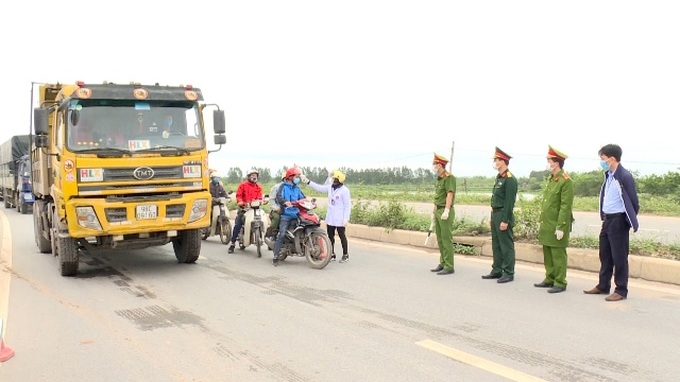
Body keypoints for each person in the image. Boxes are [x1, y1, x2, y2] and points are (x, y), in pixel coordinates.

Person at [584, 144, 639, 302]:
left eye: (603, 158)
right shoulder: (609, 175)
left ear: (612, 158)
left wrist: (627, 221)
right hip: (607, 220)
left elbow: (633, 202)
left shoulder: (624, 176)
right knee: (605, 254)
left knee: (619, 256)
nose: (601, 161)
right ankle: (603, 285)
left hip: (618, 220)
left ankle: (621, 290)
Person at [535, 146, 574, 294]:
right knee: (548, 252)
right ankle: (549, 278)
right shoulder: (552, 179)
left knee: (558, 254)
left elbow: (565, 206)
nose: (547, 162)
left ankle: (560, 281)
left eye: (549, 160)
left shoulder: (566, 181)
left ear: (556, 162)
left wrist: (561, 226)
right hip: (547, 223)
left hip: (557, 224)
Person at [482, 147, 517, 283]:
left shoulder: (510, 179)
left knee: (506, 245)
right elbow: (495, 200)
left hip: (503, 214)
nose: (495, 162)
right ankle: (497, 270)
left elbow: (509, 202)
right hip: (495, 214)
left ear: (503, 162)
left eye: (496, 160)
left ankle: (508, 272)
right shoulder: (499, 178)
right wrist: (492, 218)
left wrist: (505, 220)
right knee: (496, 244)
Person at [301, 170, 352, 262]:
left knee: (342, 236)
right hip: (331, 217)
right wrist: (308, 182)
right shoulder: (330, 188)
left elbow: (347, 205)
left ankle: (345, 254)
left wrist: (346, 218)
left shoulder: (345, 191)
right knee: (330, 236)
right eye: (332, 179)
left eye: (334, 179)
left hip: (340, 218)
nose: (332, 181)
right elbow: (319, 188)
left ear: (339, 180)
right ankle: (332, 254)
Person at [429, 153, 456, 275]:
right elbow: (438, 197)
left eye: (434, 164)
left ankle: (449, 266)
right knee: (440, 239)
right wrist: (433, 212)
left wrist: (447, 210)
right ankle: (443, 262)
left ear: (440, 165)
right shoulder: (439, 179)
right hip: (438, 210)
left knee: (446, 239)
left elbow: (449, 194)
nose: (433, 166)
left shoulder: (449, 178)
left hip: (445, 211)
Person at [273, 167, 306, 266]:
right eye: (296, 176)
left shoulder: (297, 188)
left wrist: (309, 202)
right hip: (286, 214)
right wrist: (285, 202)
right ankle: (275, 255)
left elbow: (303, 198)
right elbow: (279, 197)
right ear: (290, 177)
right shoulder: (283, 186)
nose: (298, 178)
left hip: (296, 214)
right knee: (282, 233)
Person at [228, 169, 264, 253]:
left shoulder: (258, 187)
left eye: (255, 175)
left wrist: (261, 201)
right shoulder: (243, 185)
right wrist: (240, 201)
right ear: (248, 176)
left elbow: (260, 197)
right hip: (244, 208)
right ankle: (232, 243)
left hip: (255, 209)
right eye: (252, 175)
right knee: (238, 224)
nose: (254, 177)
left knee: (262, 220)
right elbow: (239, 195)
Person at [266, 174, 286, 241]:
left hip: (289, 209)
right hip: (277, 209)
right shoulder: (276, 187)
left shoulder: (294, 188)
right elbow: (271, 201)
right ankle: (273, 234)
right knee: (277, 218)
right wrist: (277, 208)